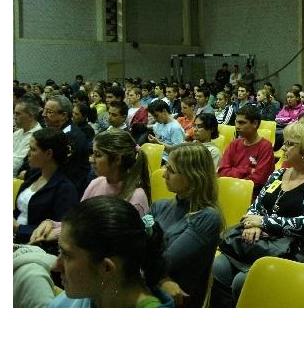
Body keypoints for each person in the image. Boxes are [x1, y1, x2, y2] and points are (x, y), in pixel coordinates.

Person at [210, 120, 304, 307]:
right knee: (218, 266)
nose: (282, 148)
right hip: (263, 242)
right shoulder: (278, 174)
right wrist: (252, 223)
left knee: (243, 281)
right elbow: (256, 206)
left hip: (299, 249)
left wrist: (263, 222)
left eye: (289, 143)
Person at [43, 196, 174, 308]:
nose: (55, 266)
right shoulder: (86, 294)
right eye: (59, 251)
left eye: (66, 255)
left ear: (106, 268)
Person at [29, 130, 151, 244]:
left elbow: (112, 243)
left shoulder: (136, 197)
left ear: (117, 159)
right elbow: (78, 222)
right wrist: (51, 224)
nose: (91, 159)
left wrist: (60, 234)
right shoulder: (96, 183)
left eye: (97, 155)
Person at [150, 143, 223, 307]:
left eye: (172, 170)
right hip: (151, 285)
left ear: (193, 176)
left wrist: (156, 275)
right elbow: (131, 248)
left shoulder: (207, 218)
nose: (164, 175)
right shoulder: (159, 206)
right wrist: (162, 279)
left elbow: (166, 261)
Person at [14, 128, 80, 244]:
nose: (28, 154)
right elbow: (20, 211)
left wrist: (18, 228)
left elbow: (59, 231)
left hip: (35, 246)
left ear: (48, 153)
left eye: (33, 149)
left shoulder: (65, 189)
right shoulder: (33, 174)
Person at [216, 105, 276, 195]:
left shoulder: (265, 147)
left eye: (242, 123)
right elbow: (222, 171)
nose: (237, 126)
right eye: (236, 122)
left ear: (255, 124)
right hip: (229, 191)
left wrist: (233, 173)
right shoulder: (234, 144)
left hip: (251, 196)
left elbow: (258, 180)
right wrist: (247, 170)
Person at [35, 95, 90, 191]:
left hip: (66, 189)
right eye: (44, 110)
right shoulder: (54, 131)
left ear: (64, 115)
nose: (43, 114)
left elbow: (60, 169)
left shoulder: (71, 137)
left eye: (49, 112)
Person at [147, 99, 186, 163]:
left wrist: (158, 143)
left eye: (156, 116)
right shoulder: (159, 124)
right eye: (153, 116)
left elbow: (177, 151)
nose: (155, 119)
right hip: (158, 155)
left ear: (164, 111)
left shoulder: (175, 128)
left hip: (169, 160)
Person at [13, 99, 43, 176]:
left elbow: (17, 165)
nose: (14, 117)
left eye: (18, 114)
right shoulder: (17, 133)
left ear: (30, 116)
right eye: (14, 113)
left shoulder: (37, 137)